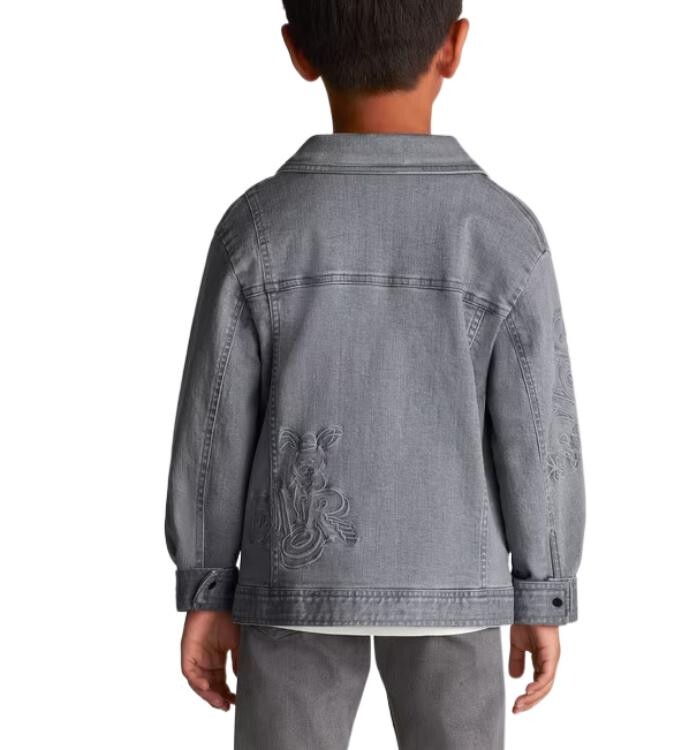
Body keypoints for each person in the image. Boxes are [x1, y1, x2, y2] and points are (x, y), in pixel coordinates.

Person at [164, 1, 587, 748]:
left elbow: (213, 430)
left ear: (298, 51)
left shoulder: (256, 229)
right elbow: (538, 435)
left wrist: (207, 587)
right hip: (455, 584)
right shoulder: (503, 232)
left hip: (295, 581)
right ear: (454, 46)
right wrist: (542, 591)